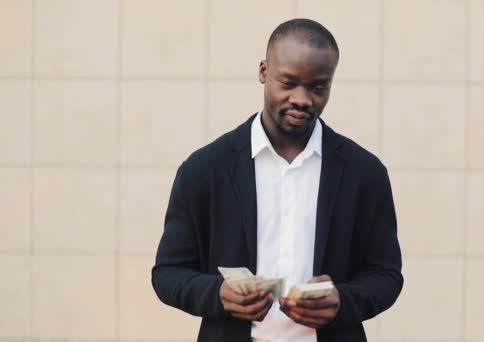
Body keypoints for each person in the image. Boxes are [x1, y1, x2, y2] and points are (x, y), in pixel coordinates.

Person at [151, 18, 403, 342]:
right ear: (263, 72)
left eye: (318, 87)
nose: (302, 99)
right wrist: (218, 294)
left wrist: (343, 301)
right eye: (289, 82)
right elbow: (168, 274)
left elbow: (386, 276)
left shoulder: (364, 173)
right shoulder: (205, 169)